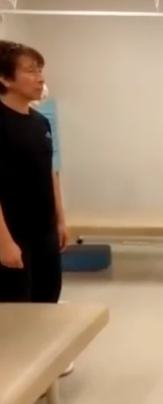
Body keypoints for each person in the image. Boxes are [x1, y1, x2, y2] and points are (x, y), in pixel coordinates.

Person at [0, 41, 69, 310]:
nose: (40, 78)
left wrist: (60, 221)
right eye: (30, 71)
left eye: (40, 70)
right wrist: (4, 243)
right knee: (17, 310)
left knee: (47, 300)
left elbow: (49, 171)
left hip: (44, 230)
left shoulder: (40, 122)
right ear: (5, 78)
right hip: (11, 232)